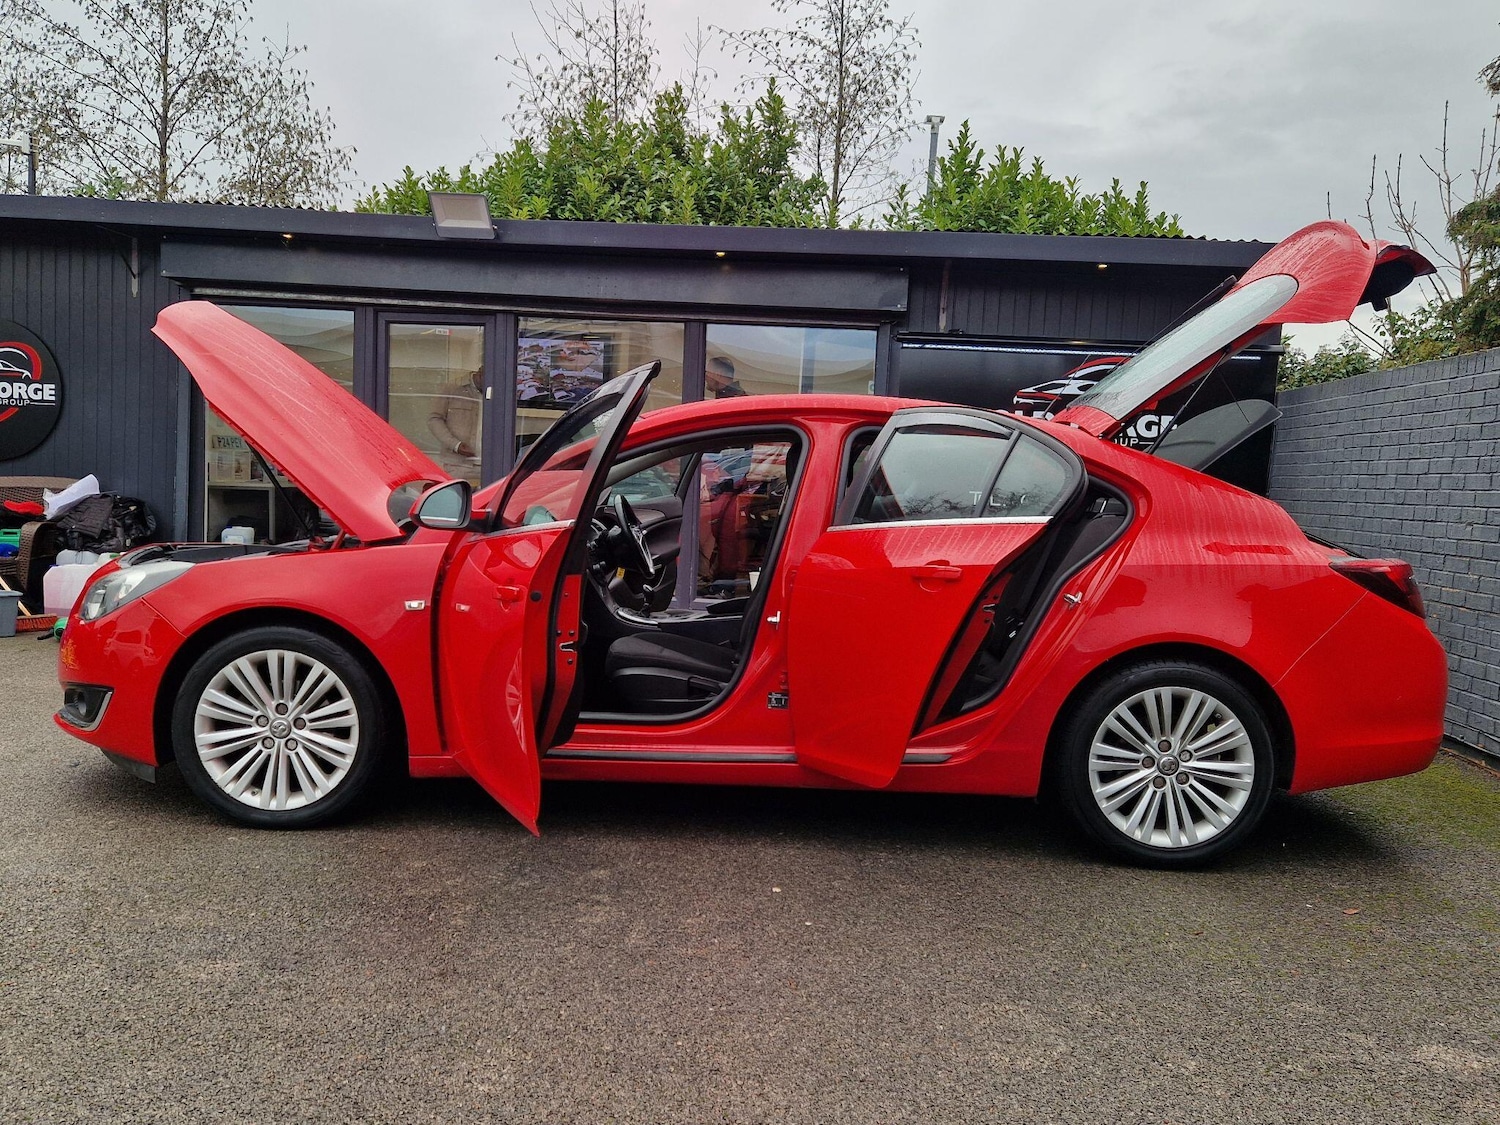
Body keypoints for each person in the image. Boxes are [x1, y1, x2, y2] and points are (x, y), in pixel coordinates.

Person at [428, 366, 484, 481]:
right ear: (480, 374)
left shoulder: (499, 390)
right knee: (456, 497)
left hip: (490, 465)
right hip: (458, 464)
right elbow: (434, 419)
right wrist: (455, 445)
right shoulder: (453, 388)